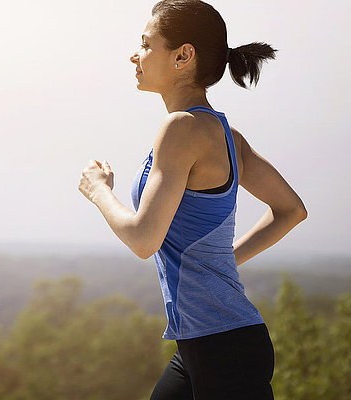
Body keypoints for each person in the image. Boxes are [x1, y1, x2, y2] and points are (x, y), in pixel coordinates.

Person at [77, 1, 308, 399]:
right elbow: (292, 210)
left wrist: (99, 190)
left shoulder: (180, 128)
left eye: (147, 44)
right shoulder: (225, 135)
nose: (136, 55)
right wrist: (223, 260)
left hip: (224, 350)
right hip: (205, 344)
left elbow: (143, 239)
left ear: (183, 56)